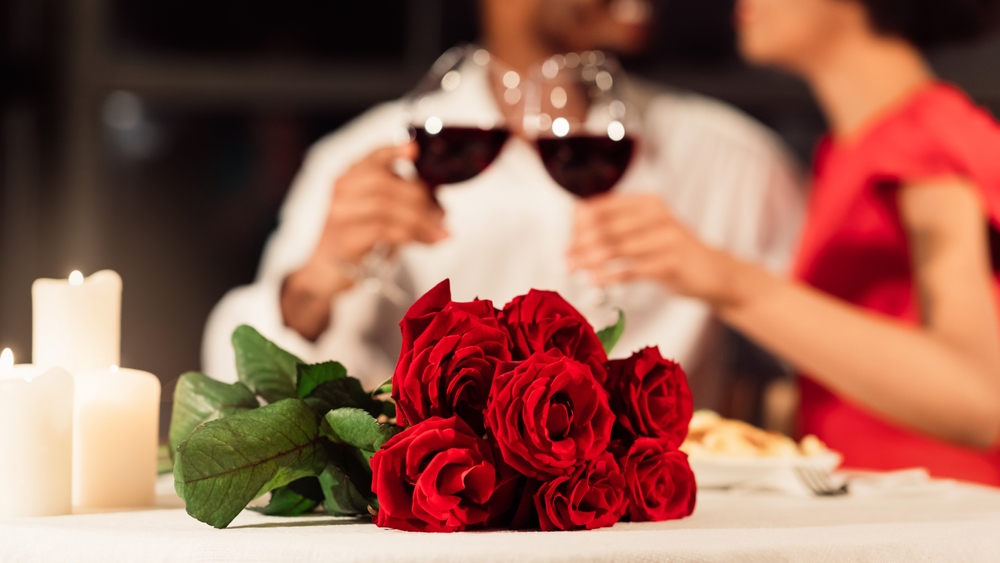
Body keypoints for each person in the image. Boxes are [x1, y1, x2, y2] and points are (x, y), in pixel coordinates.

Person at [202, 0, 804, 412]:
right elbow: (237, 397)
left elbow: (851, 359)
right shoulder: (365, 158)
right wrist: (313, 287)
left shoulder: (732, 159)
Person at [571, 0, 1000, 485]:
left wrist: (728, 281)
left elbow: (978, 401)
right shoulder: (853, 146)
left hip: (940, 522)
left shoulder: (926, 142)